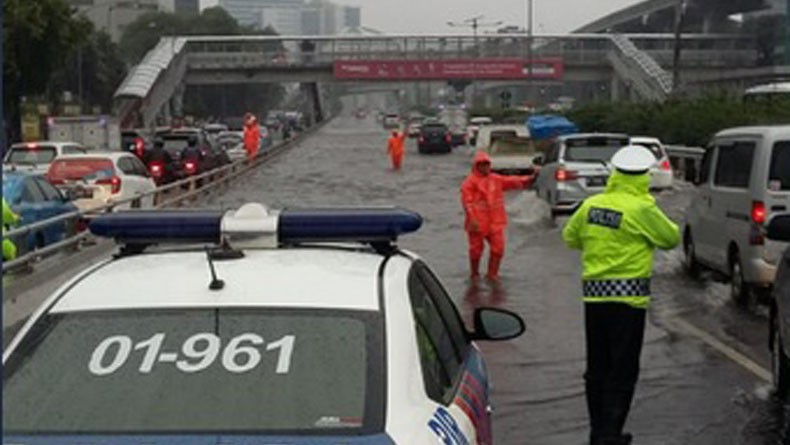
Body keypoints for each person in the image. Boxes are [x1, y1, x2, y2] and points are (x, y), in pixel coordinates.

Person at [562, 145, 680, 445]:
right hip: (628, 301)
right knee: (623, 368)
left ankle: (598, 430)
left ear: (615, 173)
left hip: (594, 300)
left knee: (597, 366)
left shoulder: (591, 205)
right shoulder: (642, 208)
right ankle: (611, 433)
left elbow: (570, 237)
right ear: (644, 176)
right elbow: (670, 239)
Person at [460, 151, 533, 281]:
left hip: (495, 222)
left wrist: (530, 179)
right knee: (476, 250)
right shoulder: (469, 183)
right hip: (477, 223)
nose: (485, 167)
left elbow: (512, 182)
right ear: (476, 166)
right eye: (482, 164)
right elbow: (467, 202)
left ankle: (492, 274)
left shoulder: (495, 179)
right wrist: (473, 219)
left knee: (498, 249)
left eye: (487, 164)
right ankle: (474, 274)